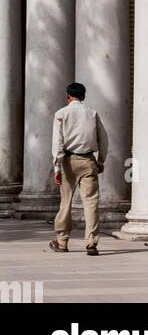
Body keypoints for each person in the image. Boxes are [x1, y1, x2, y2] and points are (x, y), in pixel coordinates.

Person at [48, 81, 109, 256]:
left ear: (68, 96)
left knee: (65, 203)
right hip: (88, 160)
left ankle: (62, 242)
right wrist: (101, 160)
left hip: (68, 161)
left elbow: (57, 142)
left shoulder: (61, 113)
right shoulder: (92, 113)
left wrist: (57, 167)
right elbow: (103, 139)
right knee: (91, 203)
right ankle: (91, 243)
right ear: (84, 96)